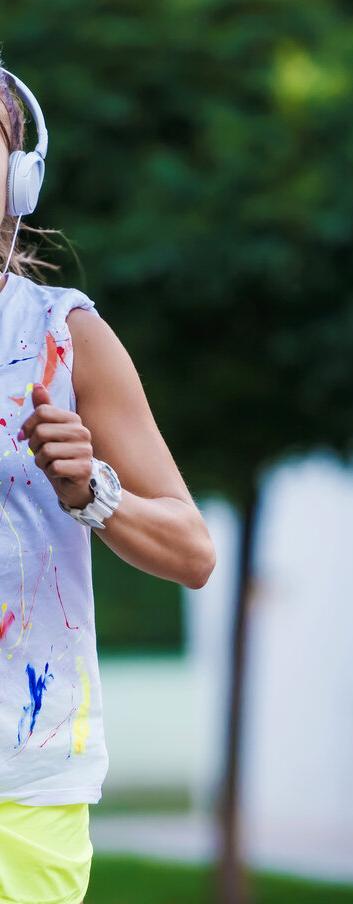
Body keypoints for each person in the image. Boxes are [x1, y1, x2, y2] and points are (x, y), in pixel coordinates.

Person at [0, 62, 216, 904]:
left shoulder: (66, 336)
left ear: (22, 178)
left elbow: (193, 551)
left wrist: (93, 487)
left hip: (22, 783)